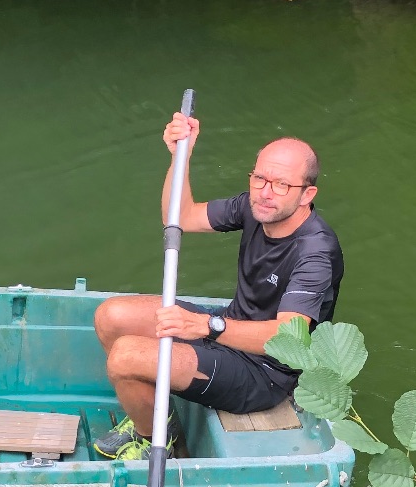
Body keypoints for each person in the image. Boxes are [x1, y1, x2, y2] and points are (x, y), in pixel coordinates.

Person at [92, 114, 343, 459]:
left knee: (124, 357)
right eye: (260, 178)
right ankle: (156, 414)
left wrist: (207, 326)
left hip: (266, 372)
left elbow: (292, 338)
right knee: (111, 316)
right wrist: (181, 156)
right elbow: (179, 216)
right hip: (227, 329)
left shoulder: (316, 252)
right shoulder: (254, 207)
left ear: (306, 194)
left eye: (281, 185)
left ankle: (151, 437)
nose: (266, 193)